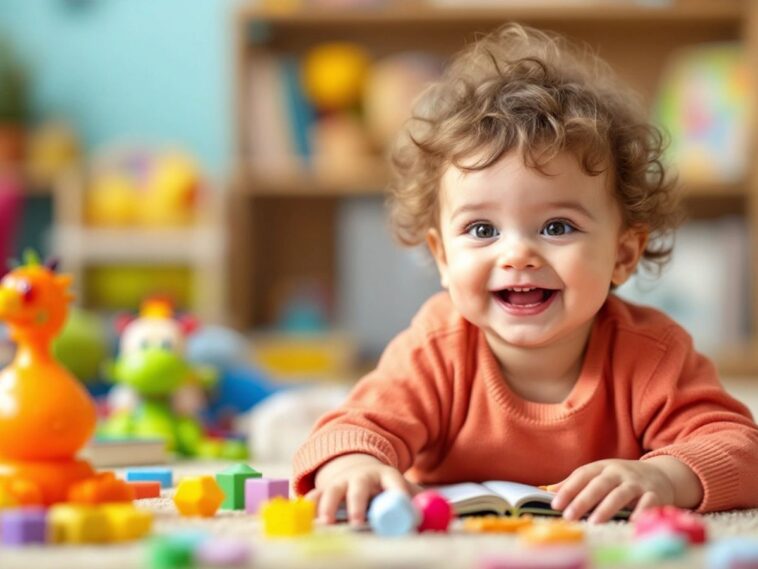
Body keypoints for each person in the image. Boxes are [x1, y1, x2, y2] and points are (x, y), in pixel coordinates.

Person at [292, 23, 758, 525]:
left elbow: (740, 448)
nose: (518, 255)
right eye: (482, 229)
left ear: (624, 253)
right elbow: (349, 431)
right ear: (443, 257)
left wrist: (664, 476)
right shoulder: (437, 348)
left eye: (557, 226)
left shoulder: (652, 354)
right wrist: (355, 464)